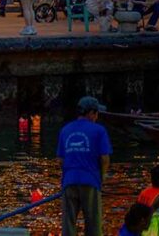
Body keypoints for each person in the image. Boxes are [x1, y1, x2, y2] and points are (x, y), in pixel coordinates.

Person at [58, 95, 112, 236]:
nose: (97, 117)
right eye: (97, 113)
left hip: (69, 181)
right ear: (91, 113)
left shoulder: (65, 130)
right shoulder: (99, 130)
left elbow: (60, 160)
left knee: (68, 224)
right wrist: (101, 177)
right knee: (93, 225)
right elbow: (105, 159)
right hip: (90, 180)